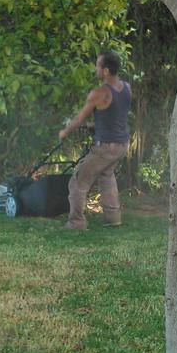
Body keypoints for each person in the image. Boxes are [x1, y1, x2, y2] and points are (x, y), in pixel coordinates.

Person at [58, 50, 131, 230]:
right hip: (122, 144)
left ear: (105, 70)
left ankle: (76, 223)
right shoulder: (127, 87)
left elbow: (79, 119)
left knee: (78, 181)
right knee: (106, 176)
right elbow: (116, 114)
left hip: (106, 146)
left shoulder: (99, 93)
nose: (95, 68)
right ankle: (113, 219)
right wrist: (95, 125)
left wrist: (65, 132)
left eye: (98, 65)